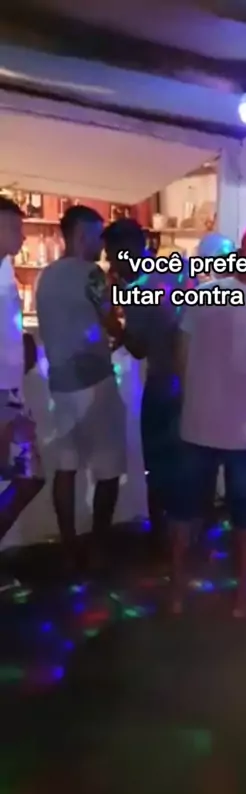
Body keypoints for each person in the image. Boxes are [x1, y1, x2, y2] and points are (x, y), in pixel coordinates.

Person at [168, 221, 246, 617]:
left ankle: (177, 592)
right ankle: (240, 597)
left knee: (184, 513)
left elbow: (180, 356)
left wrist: (195, 400)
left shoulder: (202, 295)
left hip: (197, 425)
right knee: (245, 518)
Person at [36, 205, 127, 572]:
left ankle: (69, 546)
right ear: (80, 235)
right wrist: (124, 332)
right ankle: (98, 547)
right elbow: (110, 319)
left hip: (60, 385)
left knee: (66, 467)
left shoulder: (46, 276)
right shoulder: (91, 274)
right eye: (96, 236)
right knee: (108, 468)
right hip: (93, 380)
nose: (101, 246)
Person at [103, 218, 192, 553]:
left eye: (112, 255)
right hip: (192, 384)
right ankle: (187, 535)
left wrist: (113, 325)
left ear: (128, 249)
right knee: (185, 463)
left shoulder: (139, 288)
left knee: (157, 463)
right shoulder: (177, 270)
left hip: (163, 383)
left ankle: (162, 540)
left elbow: (139, 347)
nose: (111, 263)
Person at [0, 197, 44, 590]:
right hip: (3, 398)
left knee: (30, 476)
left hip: (10, 394)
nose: (23, 235)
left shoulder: (5, 272)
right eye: (15, 227)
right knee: (29, 476)